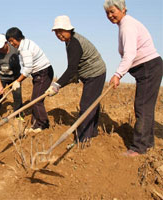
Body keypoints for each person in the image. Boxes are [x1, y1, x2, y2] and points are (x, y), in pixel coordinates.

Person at [103, 0, 162, 156]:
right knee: (145, 107)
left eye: (112, 11)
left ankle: (138, 148)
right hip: (148, 68)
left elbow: (130, 54)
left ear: (123, 9)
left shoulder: (127, 26)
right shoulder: (125, 25)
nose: (110, 15)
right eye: (107, 13)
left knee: (142, 107)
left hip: (148, 68)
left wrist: (117, 74)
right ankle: (147, 144)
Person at [46, 15, 107, 143]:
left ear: (69, 29)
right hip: (89, 73)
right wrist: (64, 82)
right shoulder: (69, 41)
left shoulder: (74, 43)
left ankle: (83, 138)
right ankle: (92, 132)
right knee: (92, 102)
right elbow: (74, 68)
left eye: (61, 31)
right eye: (56, 32)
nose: (59, 35)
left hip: (95, 73)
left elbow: (72, 69)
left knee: (87, 105)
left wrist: (57, 85)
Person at [6, 27, 54, 133]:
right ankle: (35, 125)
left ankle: (43, 125)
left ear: (17, 37)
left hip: (43, 73)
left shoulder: (24, 49)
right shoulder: (25, 44)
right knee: (35, 99)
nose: (11, 43)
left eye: (11, 40)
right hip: (39, 73)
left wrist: (18, 81)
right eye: (9, 41)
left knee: (36, 100)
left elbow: (28, 68)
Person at [0, 34, 23, 124]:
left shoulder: (14, 49)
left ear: (6, 43)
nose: (0, 49)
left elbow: (24, 53)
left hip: (15, 77)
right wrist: (0, 87)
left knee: (17, 95)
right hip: (2, 77)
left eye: (1, 47)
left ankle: (18, 114)